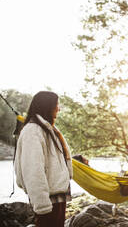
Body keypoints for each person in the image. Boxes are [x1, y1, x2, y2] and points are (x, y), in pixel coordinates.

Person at [14, 91, 73, 227]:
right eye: (56, 104)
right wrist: (42, 204)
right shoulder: (33, 131)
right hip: (47, 200)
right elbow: (32, 169)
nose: (59, 108)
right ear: (47, 106)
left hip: (56, 197)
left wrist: (77, 160)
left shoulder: (47, 129)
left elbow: (53, 160)